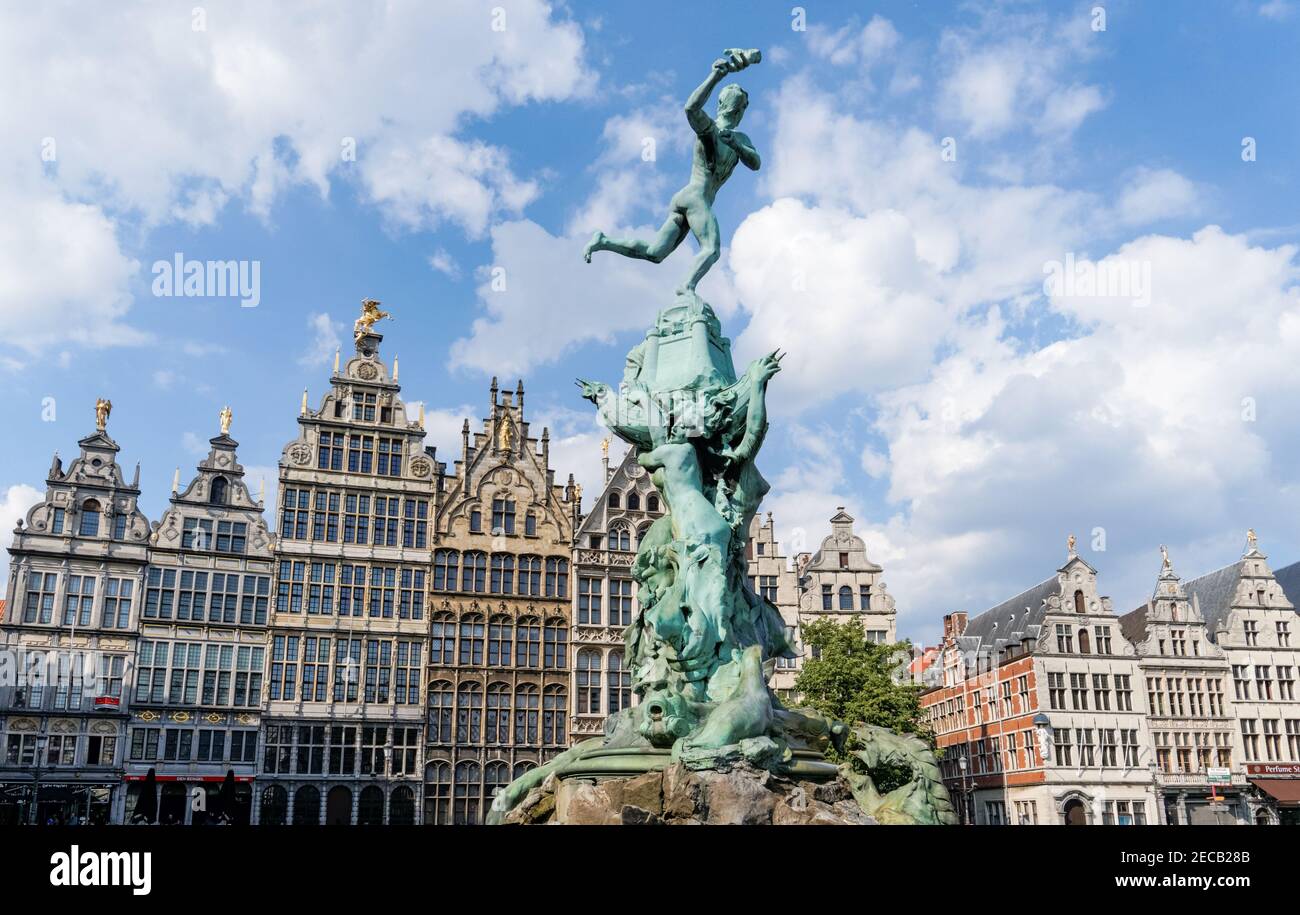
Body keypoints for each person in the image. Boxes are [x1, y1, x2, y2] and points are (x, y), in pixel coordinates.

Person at [583, 50, 761, 294]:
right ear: (734, 108)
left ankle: (603, 241)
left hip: (687, 197)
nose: (740, 112)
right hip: (696, 197)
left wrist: (735, 144)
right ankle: (685, 286)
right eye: (740, 107)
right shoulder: (710, 130)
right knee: (711, 249)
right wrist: (714, 76)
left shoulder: (738, 139)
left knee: (655, 252)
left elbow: (755, 162)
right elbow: (690, 109)